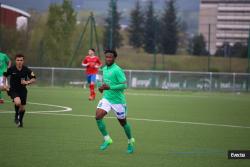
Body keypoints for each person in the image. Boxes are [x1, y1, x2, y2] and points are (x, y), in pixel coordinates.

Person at [95, 49, 135, 154]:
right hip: (107, 98)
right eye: (107, 57)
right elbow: (105, 83)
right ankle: (107, 139)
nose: (108, 59)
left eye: (110, 57)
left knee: (123, 123)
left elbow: (124, 85)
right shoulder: (104, 69)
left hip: (118, 101)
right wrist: (101, 88)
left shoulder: (117, 70)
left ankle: (130, 141)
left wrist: (110, 87)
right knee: (98, 116)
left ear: (114, 58)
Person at [2, 54, 36, 127]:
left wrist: (27, 82)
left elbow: (34, 78)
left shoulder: (26, 69)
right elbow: (4, 75)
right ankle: (16, 115)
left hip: (23, 90)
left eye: (21, 60)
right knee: (17, 102)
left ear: (23, 61)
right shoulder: (11, 69)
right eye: (18, 60)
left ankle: (20, 121)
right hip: (13, 90)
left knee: (22, 108)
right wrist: (4, 84)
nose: (19, 62)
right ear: (15, 61)